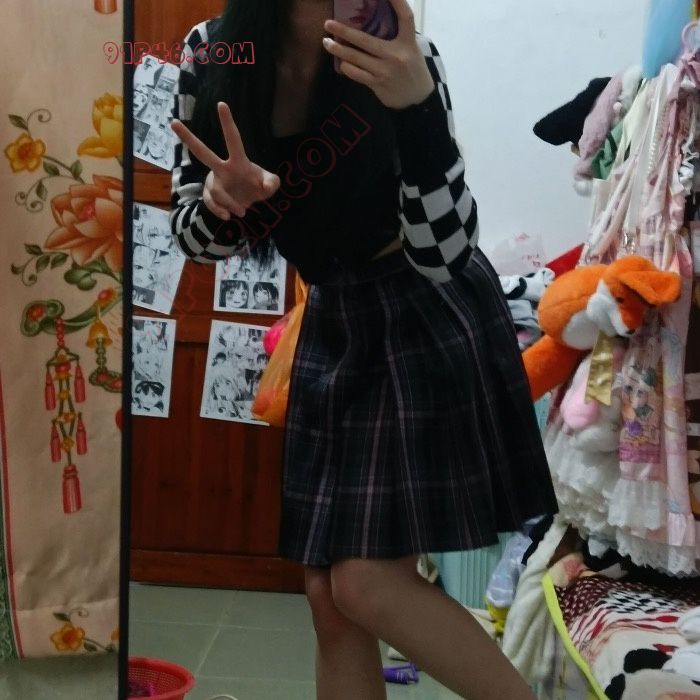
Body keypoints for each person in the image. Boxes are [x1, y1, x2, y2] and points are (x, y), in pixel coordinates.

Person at [169, 1, 558, 698]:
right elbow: (194, 239)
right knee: (328, 598)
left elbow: (444, 253)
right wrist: (225, 206)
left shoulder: (401, 49)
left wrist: (415, 106)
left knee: (365, 583)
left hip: (423, 311)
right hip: (334, 318)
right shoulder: (215, 51)